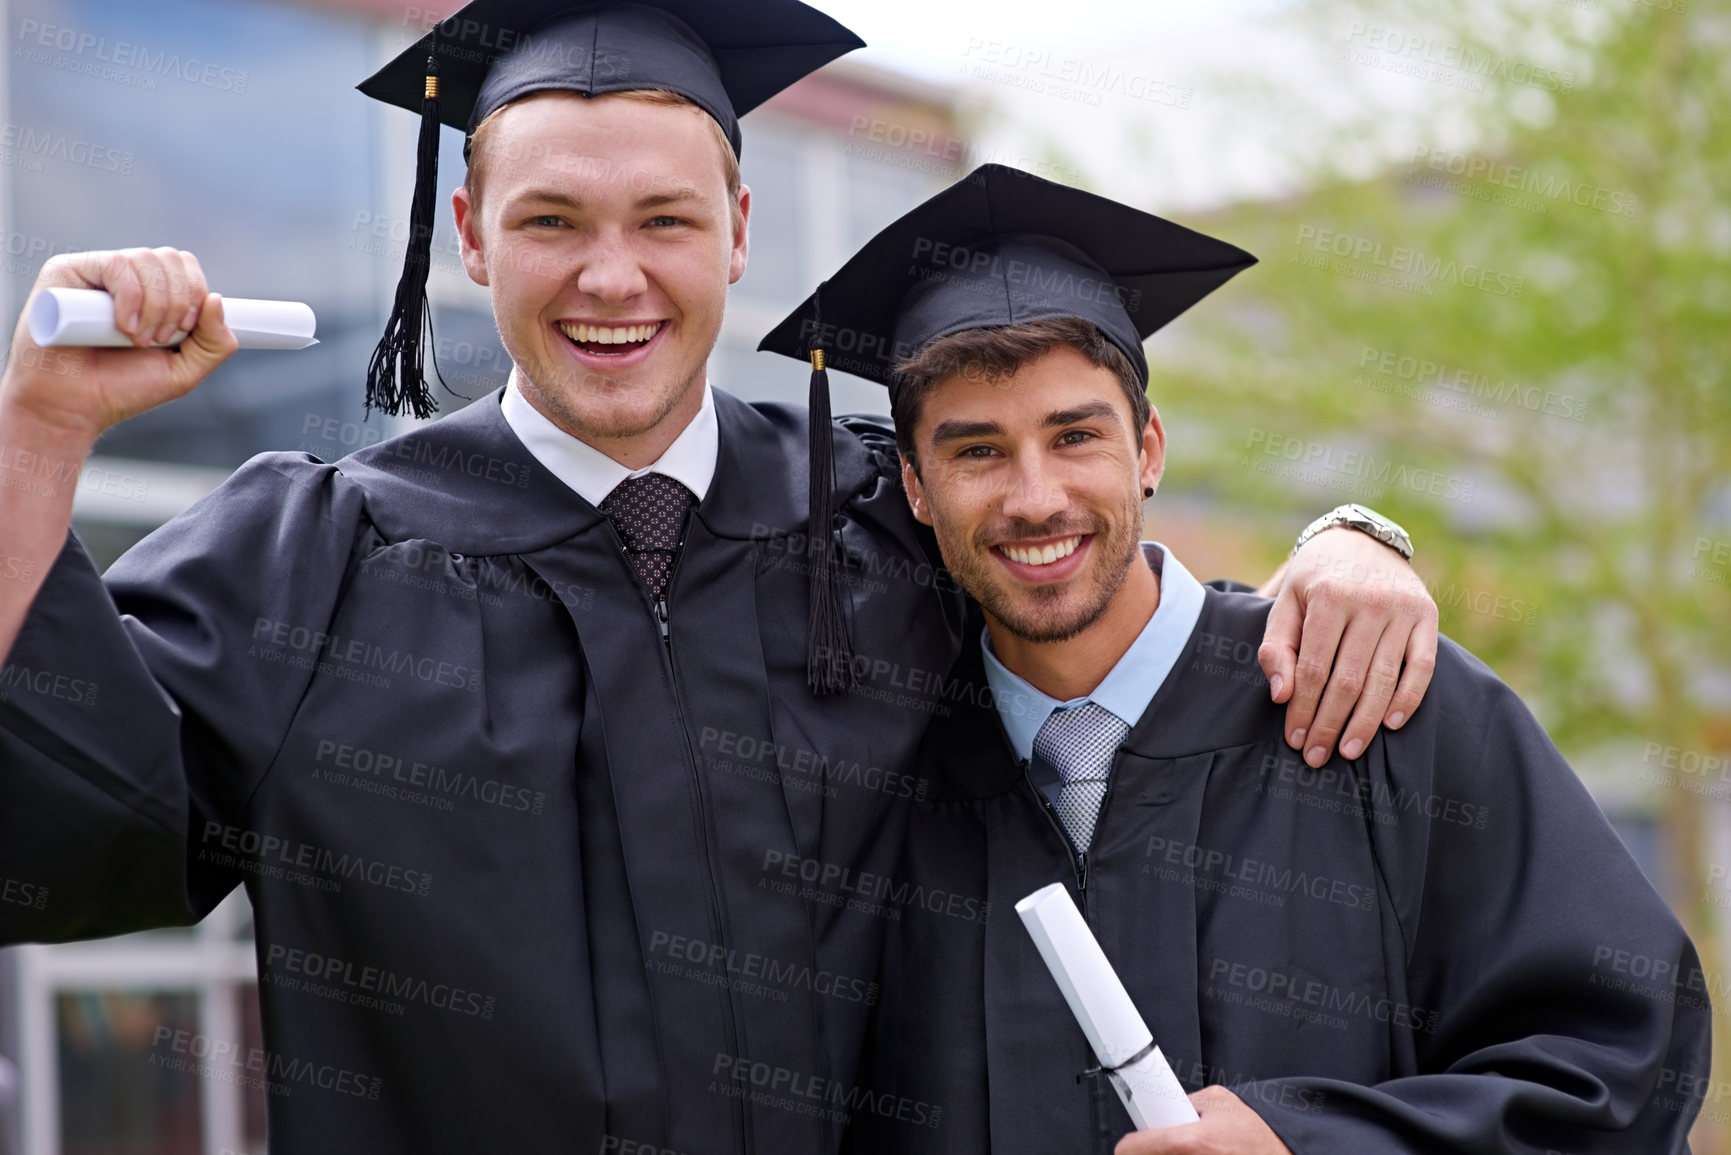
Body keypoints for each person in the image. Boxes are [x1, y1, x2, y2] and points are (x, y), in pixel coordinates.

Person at [0, 7, 1436, 1154]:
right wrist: (38, 429)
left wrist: (1351, 542)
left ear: (740, 232)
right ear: (470, 238)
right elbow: (54, 826)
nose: (610, 276)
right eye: (552, 221)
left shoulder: (888, 520)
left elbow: (1115, 620)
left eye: (665, 222)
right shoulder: (316, 562)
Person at [761, 164, 1711, 1154]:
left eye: (1076, 435)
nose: (1034, 497)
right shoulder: (879, 765)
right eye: (977, 452)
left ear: (1150, 450)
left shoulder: (1377, 706)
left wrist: (1320, 1145)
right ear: (915, 487)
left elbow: (1618, 1081)